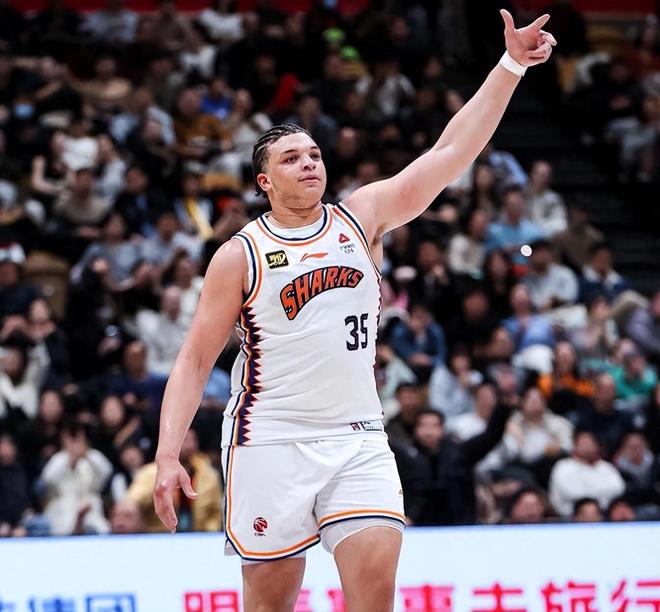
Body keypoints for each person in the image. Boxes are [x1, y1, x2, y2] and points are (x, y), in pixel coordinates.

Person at [153, 12, 556, 611]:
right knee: (269, 605)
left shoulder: (361, 217)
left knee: (375, 597)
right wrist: (167, 454)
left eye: (314, 154)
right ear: (265, 181)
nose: (309, 163)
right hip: (270, 438)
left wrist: (510, 66)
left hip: (358, 436)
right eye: (292, 158)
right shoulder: (240, 254)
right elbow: (192, 360)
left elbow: (451, 150)